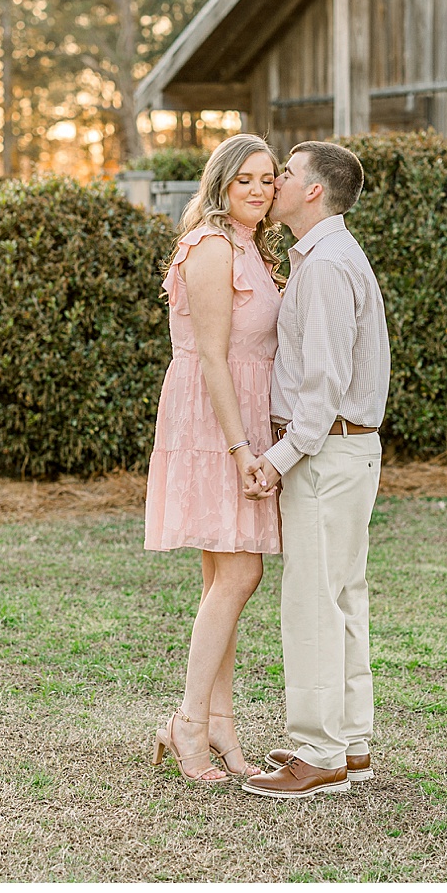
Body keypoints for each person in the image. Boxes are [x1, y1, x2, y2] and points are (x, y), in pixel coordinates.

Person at [240, 140, 390, 800]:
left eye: (287, 174)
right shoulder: (325, 257)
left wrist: (277, 459)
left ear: (314, 192)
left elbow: (322, 386)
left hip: (326, 450)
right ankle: (349, 738)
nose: (273, 182)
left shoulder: (326, 265)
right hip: (343, 449)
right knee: (341, 595)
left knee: (313, 601)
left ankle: (319, 751)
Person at [144, 132, 285, 784]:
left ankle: (220, 722)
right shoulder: (209, 245)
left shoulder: (250, 245)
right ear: (221, 183)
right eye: (246, 179)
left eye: (268, 178)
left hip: (241, 417)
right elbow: (210, 356)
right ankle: (189, 722)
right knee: (239, 575)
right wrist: (239, 448)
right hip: (214, 421)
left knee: (223, 580)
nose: (258, 189)